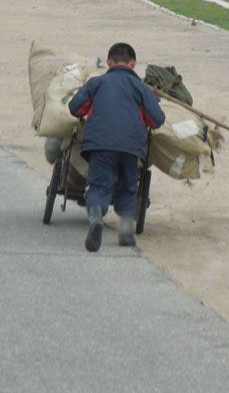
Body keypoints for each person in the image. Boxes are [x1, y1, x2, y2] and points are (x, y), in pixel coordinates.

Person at [68, 42, 165, 251]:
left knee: (98, 185)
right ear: (133, 64)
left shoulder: (97, 83)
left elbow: (75, 108)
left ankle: (95, 219)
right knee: (130, 185)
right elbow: (157, 120)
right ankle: (125, 230)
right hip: (131, 146)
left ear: (109, 63)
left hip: (100, 143)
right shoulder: (141, 88)